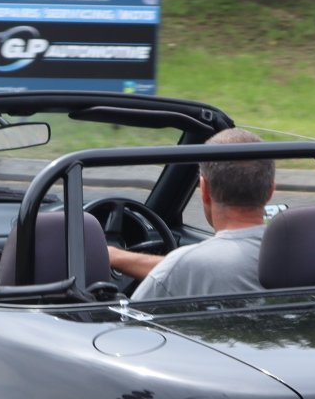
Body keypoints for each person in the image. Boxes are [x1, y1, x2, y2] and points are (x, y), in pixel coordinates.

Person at [107, 128, 275, 300]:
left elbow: (127, 322)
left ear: (205, 190)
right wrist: (117, 257)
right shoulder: (297, 252)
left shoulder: (186, 266)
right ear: (271, 190)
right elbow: (198, 268)